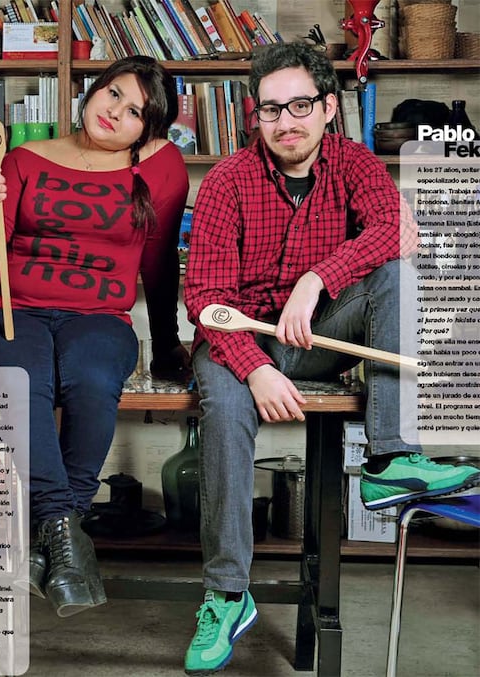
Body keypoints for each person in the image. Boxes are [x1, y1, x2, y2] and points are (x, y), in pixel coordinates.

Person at [182, 41, 480, 674]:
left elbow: (395, 233)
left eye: (299, 105)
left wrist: (317, 278)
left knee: (399, 272)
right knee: (226, 414)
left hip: (315, 334)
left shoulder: (356, 164)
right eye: (271, 109)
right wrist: (256, 366)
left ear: (326, 109)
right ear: (253, 116)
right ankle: (227, 592)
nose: (286, 122)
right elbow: (206, 301)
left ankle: (392, 460)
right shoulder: (225, 183)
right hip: (236, 341)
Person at [0, 55, 190, 618]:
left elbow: (160, 266)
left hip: (101, 318)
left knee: (92, 380)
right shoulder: (20, 159)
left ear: (151, 126)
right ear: (94, 90)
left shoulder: (161, 168)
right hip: (14, 312)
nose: (115, 112)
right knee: (22, 386)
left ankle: (50, 537)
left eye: (135, 110)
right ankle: (67, 537)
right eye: (112, 94)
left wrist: (166, 344)